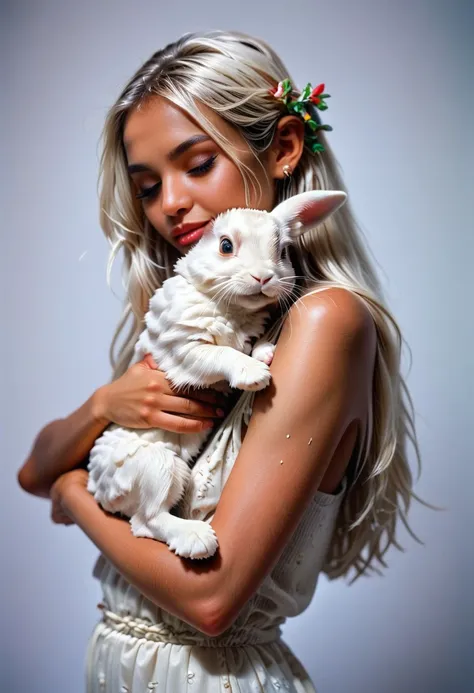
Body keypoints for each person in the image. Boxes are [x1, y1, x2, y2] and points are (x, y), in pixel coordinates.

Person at [17, 29, 430, 693]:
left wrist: (75, 497)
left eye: (197, 164)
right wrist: (102, 405)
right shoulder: (198, 320)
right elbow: (32, 470)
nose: (170, 203)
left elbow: (212, 601)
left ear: (285, 150)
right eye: (148, 185)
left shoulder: (325, 323)